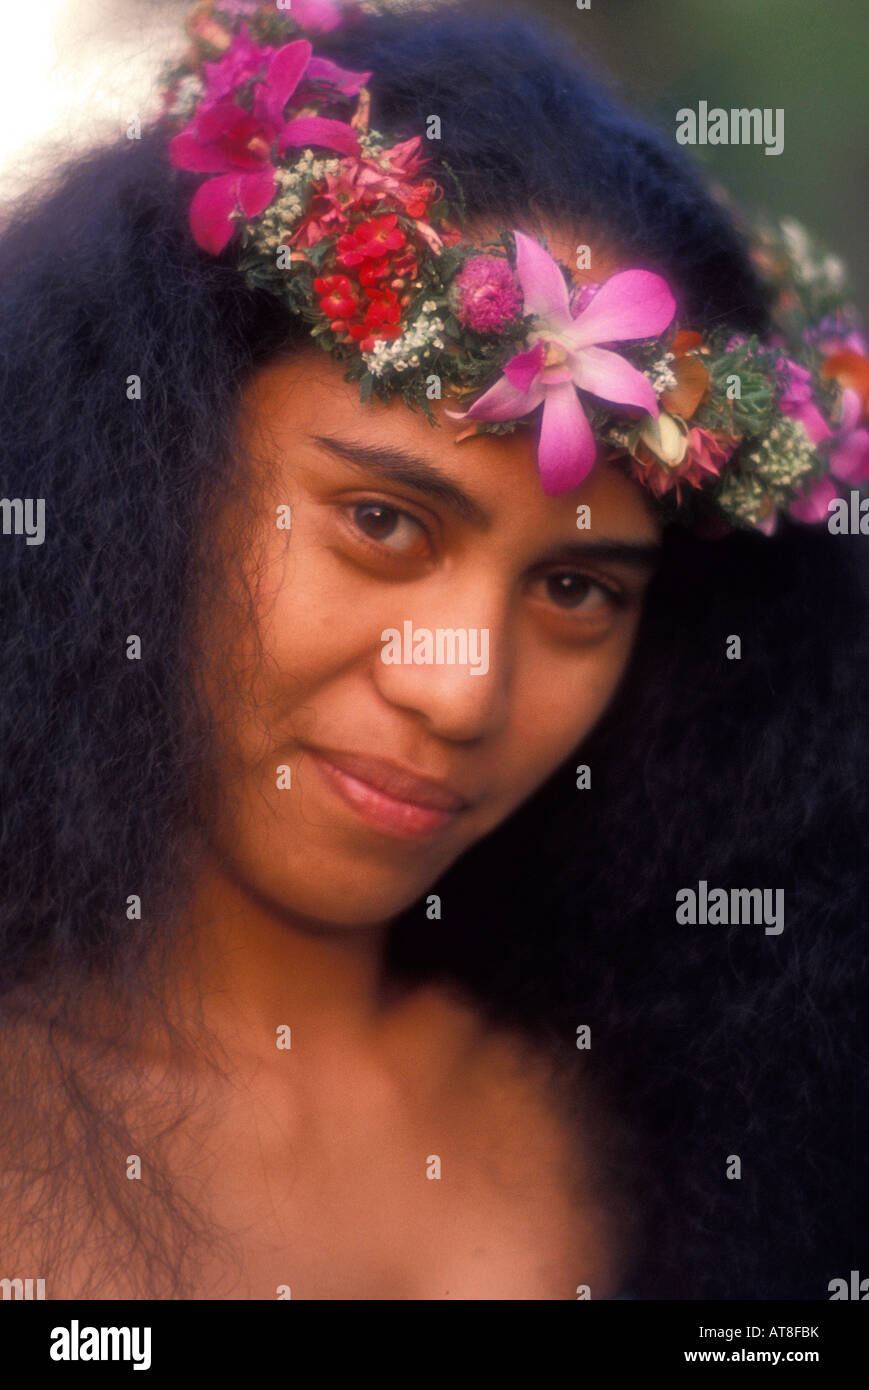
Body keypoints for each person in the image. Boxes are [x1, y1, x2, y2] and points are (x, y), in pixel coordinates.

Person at [0, 0, 865, 1301]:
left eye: (576, 588)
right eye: (383, 522)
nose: (461, 689)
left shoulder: (711, 1122)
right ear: (145, 474)